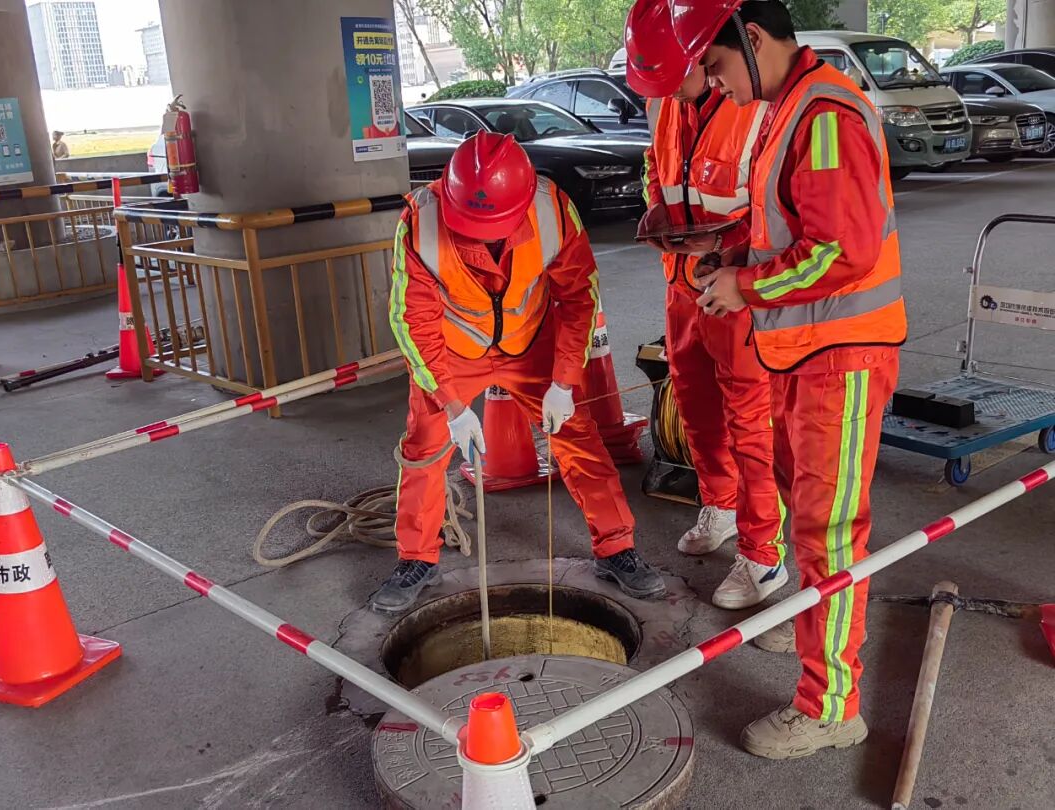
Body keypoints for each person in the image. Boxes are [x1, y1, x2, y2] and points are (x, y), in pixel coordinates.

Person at [674, 0, 907, 759]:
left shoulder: (827, 112)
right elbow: (785, 219)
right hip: (804, 351)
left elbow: (844, 251)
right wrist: (735, 251)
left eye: (715, 65)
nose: (713, 83)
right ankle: (811, 621)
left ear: (758, 40)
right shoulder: (788, 105)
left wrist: (747, 288)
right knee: (801, 504)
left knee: (830, 530)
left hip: (842, 357)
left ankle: (831, 706)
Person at [375, 130, 665, 614]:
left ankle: (617, 549)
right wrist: (450, 403)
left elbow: (578, 298)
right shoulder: (420, 222)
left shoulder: (552, 209)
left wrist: (564, 382)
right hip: (454, 351)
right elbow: (412, 319)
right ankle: (417, 559)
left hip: (530, 346)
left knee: (577, 437)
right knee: (425, 448)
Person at [626, 0, 785, 610]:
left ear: (704, 55)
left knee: (750, 419)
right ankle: (718, 506)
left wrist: (738, 263)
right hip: (681, 281)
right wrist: (658, 212)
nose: (666, 91)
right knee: (694, 402)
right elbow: (655, 165)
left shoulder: (757, 106)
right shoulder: (663, 99)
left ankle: (763, 555)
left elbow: (777, 203)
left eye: (675, 76)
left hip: (738, 289)